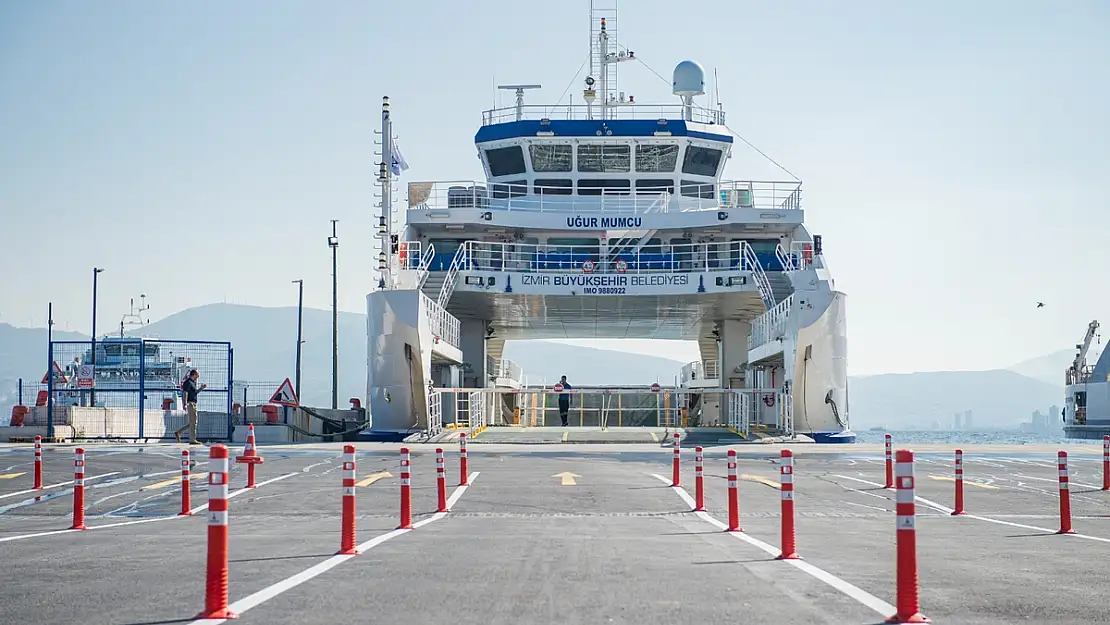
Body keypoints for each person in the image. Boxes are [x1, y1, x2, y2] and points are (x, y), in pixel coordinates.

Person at [174, 369, 206, 444]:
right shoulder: (188, 382)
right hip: (190, 403)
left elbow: (195, 393)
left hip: (193, 403)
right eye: (197, 375)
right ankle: (192, 439)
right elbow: (185, 393)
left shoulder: (192, 383)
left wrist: (201, 388)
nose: (198, 376)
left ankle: (179, 432)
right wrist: (184, 403)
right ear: (194, 374)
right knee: (193, 422)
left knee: (192, 422)